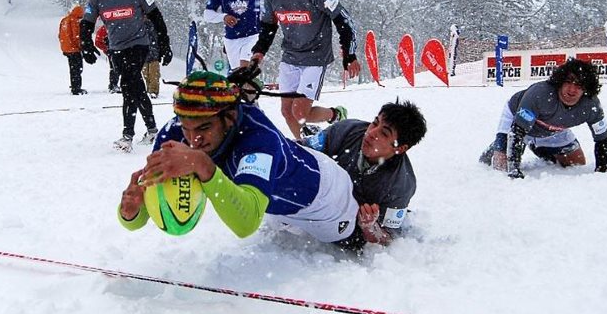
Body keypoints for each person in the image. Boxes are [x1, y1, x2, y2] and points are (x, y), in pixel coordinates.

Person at [117, 71, 360, 246]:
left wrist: (203, 165)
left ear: (230, 118)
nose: (192, 141)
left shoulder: (258, 137)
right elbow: (141, 218)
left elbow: (246, 224)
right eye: (185, 128)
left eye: (203, 129)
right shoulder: (175, 132)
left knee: (352, 242)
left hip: (325, 198)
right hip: (272, 204)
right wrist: (131, 211)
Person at [250, 0, 361, 138]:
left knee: (299, 112)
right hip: (290, 56)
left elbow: (343, 19)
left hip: (315, 56)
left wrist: (349, 54)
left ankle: (335, 114)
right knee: (286, 111)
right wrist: (258, 52)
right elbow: (268, 26)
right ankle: (305, 146)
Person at [300, 99, 427, 248]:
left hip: (345, 224)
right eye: (374, 123)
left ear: (400, 148)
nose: (371, 133)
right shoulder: (345, 130)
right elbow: (301, 150)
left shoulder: (401, 185)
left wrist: (370, 227)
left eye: (384, 133)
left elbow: (388, 238)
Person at [80, 0, 173, 152]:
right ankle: (152, 129)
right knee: (136, 86)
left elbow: (156, 17)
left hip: (138, 44)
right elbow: (87, 22)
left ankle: (127, 136)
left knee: (128, 84)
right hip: (116, 48)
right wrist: (86, 45)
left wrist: (165, 43)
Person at [477, 58, 607, 179]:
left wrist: (602, 167)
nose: (572, 89)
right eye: (568, 82)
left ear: (586, 89)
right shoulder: (539, 94)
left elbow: (603, 138)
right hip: (517, 120)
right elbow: (517, 132)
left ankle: (538, 147)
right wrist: (514, 169)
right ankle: (497, 147)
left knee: (576, 162)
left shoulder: (591, 105)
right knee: (501, 167)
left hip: (554, 128)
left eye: (579, 85)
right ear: (560, 82)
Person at [203, 0, 267, 71]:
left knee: (246, 69)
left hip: (252, 36)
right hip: (231, 39)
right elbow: (207, 14)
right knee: (237, 75)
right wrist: (223, 17)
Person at [58, 4, 87, 95]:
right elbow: (76, 36)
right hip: (74, 49)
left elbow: (59, 35)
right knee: (77, 68)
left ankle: (74, 85)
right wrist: (81, 47)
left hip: (66, 48)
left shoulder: (64, 20)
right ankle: (76, 88)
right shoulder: (74, 20)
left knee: (73, 68)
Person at [95, 25, 120, 93]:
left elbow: (98, 42)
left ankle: (114, 84)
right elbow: (98, 42)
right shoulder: (106, 28)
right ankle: (113, 85)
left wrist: (106, 49)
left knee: (114, 68)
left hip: (113, 50)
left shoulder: (105, 28)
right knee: (116, 68)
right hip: (116, 50)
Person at [142, 21, 161, 98]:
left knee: (153, 73)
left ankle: (153, 91)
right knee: (145, 74)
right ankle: (149, 89)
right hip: (145, 54)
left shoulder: (153, 25)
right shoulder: (139, 25)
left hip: (153, 53)